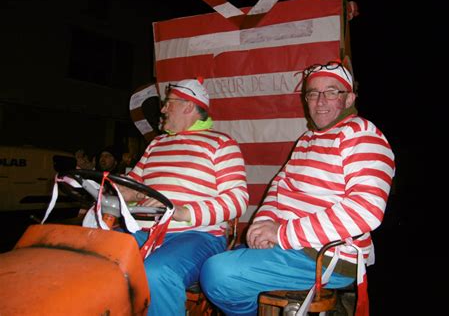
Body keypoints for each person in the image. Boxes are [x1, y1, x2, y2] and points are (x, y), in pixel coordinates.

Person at [199, 60, 395, 315]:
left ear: (349, 99)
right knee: (218, 260)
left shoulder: (363, 135)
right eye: (313, 93)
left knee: (218, 273)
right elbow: (279, 187)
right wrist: (264, 224)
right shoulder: (307, 140)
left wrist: (280, 233)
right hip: (294, 246)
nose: (320, 101)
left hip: (327, 257)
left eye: (332, 92)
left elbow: (365, 210)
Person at [116, 77, 249, 315]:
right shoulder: (156, 144)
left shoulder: (222, 143)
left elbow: (236, 200)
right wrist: (111, 191)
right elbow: (134, 185)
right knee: (96, 258)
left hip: (197, 235)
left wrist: (181, 210)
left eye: (169, 103)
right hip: (142, 231)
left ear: (189, 106)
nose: (163, 109)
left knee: (157, 273)